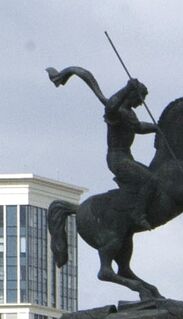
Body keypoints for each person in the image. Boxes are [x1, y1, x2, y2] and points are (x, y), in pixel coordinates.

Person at [47, 66, 158, 229]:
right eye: (140, 99)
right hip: (118, 159)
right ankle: (137, 213)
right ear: (133, 95)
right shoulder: (116, 112)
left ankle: (133, 207)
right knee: (151, 180)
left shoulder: (128, 113)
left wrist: (157, 127)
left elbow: (139, 127)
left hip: (127, 158)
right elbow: (111, 106)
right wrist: (126, 88)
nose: (141, 103)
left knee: (153, 177)